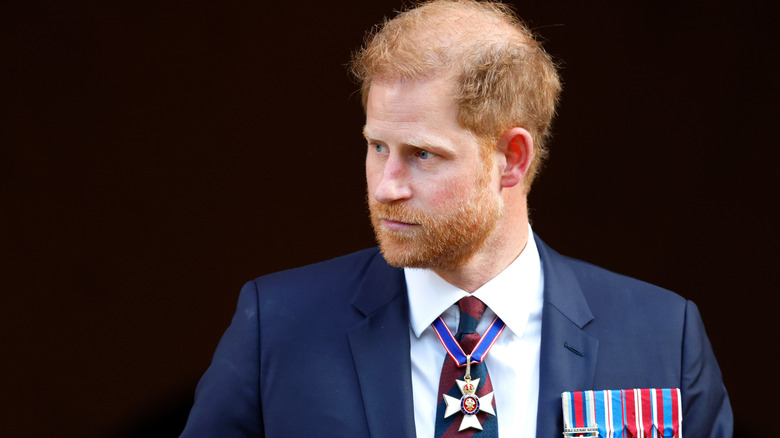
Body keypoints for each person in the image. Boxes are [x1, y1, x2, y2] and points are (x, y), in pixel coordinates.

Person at [180, 1, 732, 437]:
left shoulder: (663, 337)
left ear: (511, 159)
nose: (386, 186)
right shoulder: (277, 326)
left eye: (422, 154)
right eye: (377, 146)